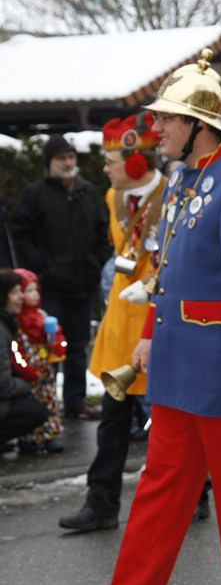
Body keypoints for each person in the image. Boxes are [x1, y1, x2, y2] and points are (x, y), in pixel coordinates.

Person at [57, 48, 221, 585]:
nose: (155, 129)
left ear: (197, 125)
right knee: (162, 480)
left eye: (166, 119)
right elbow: (169, 272)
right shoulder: (189, 178)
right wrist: (146, 339)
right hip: (180, 359)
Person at [58, 114, 168, 532]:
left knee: (167, 423)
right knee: (112, 422)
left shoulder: (173, 195)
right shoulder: (112, 197)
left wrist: (152, 284)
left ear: (137, 162)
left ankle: (195, 494)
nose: (104, 169)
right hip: (121, 326)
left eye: (111, 161)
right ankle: (101, 503)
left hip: (156, 328)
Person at [12, 135, 112, 419]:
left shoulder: (88, 191)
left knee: (78, 346)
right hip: (50, 288)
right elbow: (21, 233)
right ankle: (44, 403)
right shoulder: (35, 194)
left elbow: (100, 232)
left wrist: (96, 265)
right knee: (46, 345)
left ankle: (75, 401)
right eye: (61, 158)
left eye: (71, 157)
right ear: (49, 163)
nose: (68, 163)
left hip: (82, 284)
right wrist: (42, 268)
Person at [12, 269, 66, 453]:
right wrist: (25, 368)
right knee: (31, 403)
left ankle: (50, 435)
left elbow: (59, 340)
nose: (34, 295)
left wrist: (56, 341)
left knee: (49, 400)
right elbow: (15, 351)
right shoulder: (16, 321)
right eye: (28, 291)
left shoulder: (43, 316)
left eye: (36, 290)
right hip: (28, 371)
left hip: (45, 368)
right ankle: (30, 438)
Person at [0, 269, 48, 449]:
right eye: (14, 292)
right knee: (36, 411)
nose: (21, 296)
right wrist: (29, 384)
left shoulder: (8, 323)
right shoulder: (2, 330)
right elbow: (4, 385)